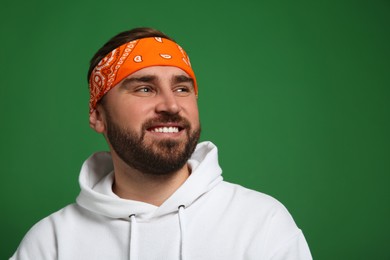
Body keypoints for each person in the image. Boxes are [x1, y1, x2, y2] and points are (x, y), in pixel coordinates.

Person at [11, 27, 312, 260]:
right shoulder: (50, 243)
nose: (171, 105)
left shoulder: (261, 223)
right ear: (97, 115)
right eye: (144, 88)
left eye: (182, 88)